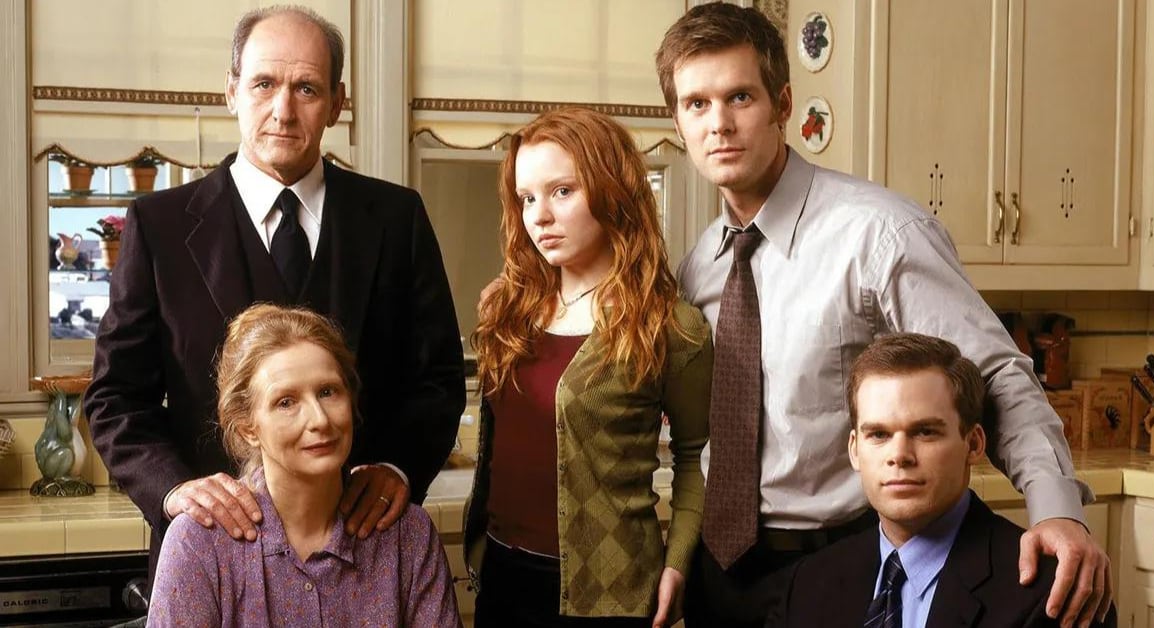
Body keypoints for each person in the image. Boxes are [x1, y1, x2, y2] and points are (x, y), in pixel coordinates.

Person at [654, 4, 1110, 627]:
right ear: (678, 122)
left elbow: (995, 375)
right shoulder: (699, 266)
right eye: (696, 104)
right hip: (720, 575)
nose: (719, 124)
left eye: (740, 96)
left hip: (841, 567)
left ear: (782, 104)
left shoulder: (881, 235)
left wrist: (1055, 507)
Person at [84, 5, 464, 581]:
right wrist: (175, 489)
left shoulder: (396, 218)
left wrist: (397, 467)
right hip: (214, 557)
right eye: (264, 84)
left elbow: (437, 379)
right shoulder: (158, 226)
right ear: (231, 91)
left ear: (336, 103)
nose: (283, 111)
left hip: (364, 555)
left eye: (306, 88)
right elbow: (115, 396)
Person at [467, 107, 713, 628]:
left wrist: (678, 562)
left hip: (610, 591)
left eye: (561, 191)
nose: (539, 216)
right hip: (502, 575)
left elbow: (696, 456)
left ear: (611, 191)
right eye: (527, 198)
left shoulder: (669, 324)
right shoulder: (506, 310)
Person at [768, 333, 1115, 628]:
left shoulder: (1053, 592)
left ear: (973, 444)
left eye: (925, 432)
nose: (899, 455)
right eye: (879, 434)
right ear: (855, 450)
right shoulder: (808, 585)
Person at [148, 304, 461, 627]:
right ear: (248, 429)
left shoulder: (408, 535)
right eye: (286, 402)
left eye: (328, 392)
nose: (319, 420)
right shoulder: (198, 543)